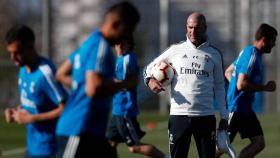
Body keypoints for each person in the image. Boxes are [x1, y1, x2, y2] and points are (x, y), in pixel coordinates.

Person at [55, 2, 140, 158]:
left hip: (93, 132)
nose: (128, 36)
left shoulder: (89, 42)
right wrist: (127, 83)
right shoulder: (101, 47)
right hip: (78, 129)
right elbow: (93, 88)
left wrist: (82, 84)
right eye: (128, 30)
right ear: (116, 24)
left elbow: (61, 74)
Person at [143, 12, 228, 158]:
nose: (193, 31)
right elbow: (148, 68)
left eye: (197, 28)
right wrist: (150, 81)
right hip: (179, 116)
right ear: (186, 27)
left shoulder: (214, 54)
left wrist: (224, 116)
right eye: (190, 27)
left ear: (205, 28)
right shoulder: (175, 50)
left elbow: (220, 86)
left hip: (205, 117)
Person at [4, 25, 68, 158]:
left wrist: (31, 118)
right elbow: (34, 103)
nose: (12, 58)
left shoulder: (45, 73)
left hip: (49, 149)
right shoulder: (22, 70)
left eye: (17, 52)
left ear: (30, 46)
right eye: (10, 53)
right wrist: (16, 112)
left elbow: (66, 107)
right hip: (32, 147)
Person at [106, 37, 168, 158]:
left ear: (128, 44)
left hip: (124, 110)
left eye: (121, 42)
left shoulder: (127, 59)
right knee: (110, 142)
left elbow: (126, 83)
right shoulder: (120, 58)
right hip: (117, 109)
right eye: (116, 43)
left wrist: (106, 80)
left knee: (134, 147)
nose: (118, 46)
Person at [224, 23, 277, 158]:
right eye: (273, 40)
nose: (274, 44)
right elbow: (241, 85)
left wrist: (234, 85)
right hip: (236, 107)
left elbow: (228, 72)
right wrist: (264, 88)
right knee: (222, 146)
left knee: (259, 143)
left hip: (245, 108)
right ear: (264, 40)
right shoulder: (251, 54)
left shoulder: (249, 53)